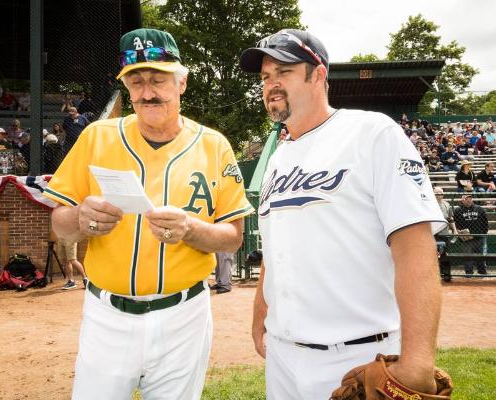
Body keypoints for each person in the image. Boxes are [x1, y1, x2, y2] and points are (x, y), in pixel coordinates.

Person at [43, 28, 253, 399]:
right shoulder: (97, 137)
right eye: (136, 81)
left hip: (184, 315)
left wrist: (190, 229)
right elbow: (60, 224)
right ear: (126, 87)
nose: (148, 91)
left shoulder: (214, 145)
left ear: (182, 81)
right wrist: (80, 219)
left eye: (158, 78)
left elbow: (233, 237)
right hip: (107, 314)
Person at [239, 29, 446, 398]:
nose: (270, 84)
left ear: (318, 74)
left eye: (283, 72)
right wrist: (260, 311)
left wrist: (416, 363)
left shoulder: (372, 133)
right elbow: (275, 248)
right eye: (265, 76)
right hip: (283, 357)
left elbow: (414, 248)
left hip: (358, 355)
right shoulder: (278, 158)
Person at [454, 194, 488, 275]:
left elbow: (485, 223)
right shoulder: (458, 210)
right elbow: (455, 223)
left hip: (479, 237)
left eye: (470, 198)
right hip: (466, 239)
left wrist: (482, 233)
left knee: (480, 256)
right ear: (462, 200)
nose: (468, 200)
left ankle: (482, 272)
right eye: (466, 198)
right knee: (467, 257)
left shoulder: (480, 209)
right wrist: (458, 231)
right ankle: (469, 273)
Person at [433, 187, 458, 282]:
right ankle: (434, 275)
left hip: (444, 233)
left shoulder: (447, 204)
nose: (439, 194)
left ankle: (447, 275)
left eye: (440, 193)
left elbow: (451, 218)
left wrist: (454, 230)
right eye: (437, 193)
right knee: (432, 255)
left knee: (445, 255)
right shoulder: (429, 204)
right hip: (433, 233)